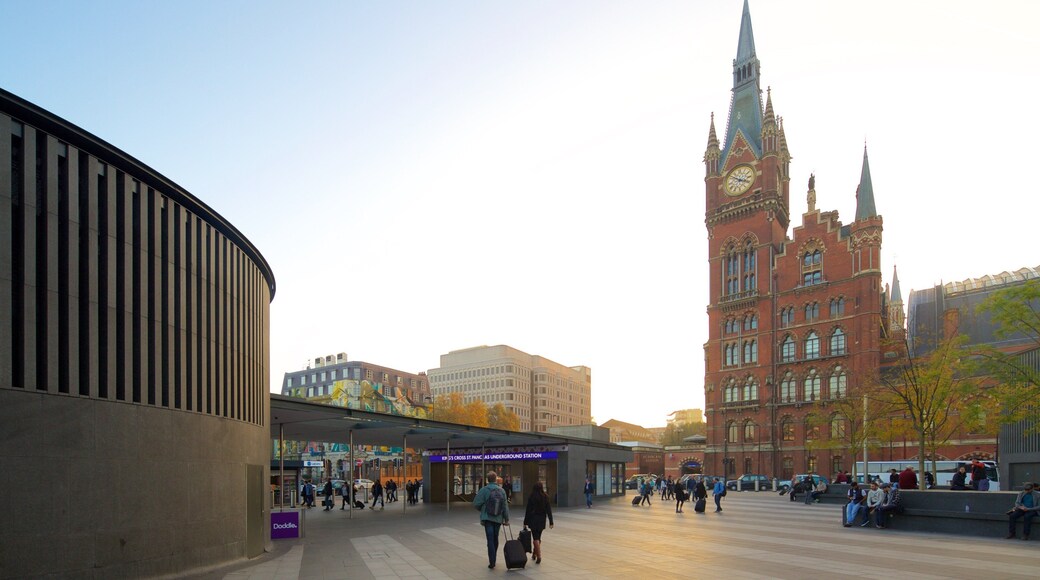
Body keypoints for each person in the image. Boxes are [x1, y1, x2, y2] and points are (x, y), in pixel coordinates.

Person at [473, 471, 510, 569]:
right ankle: (494, 556)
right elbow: (505, 506)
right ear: (496, 479)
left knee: (490, 539)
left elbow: (476, 503)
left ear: (487, 480)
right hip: (498, 518)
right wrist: (506, 519)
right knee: (495, 538)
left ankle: (492, 561)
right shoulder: (502, 490)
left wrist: (482, 509)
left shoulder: (484, 490)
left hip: (487, 518)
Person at [523, 482, 554, 564]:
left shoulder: (531, 497)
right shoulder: (545, 497)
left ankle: (539, 556)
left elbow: (528, 510)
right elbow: (549, 510)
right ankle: (534, 553)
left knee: (535, 538)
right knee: (538, 537)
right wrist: (551, 522)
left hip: (533, 519)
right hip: (541, 520)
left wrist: (525, 521)